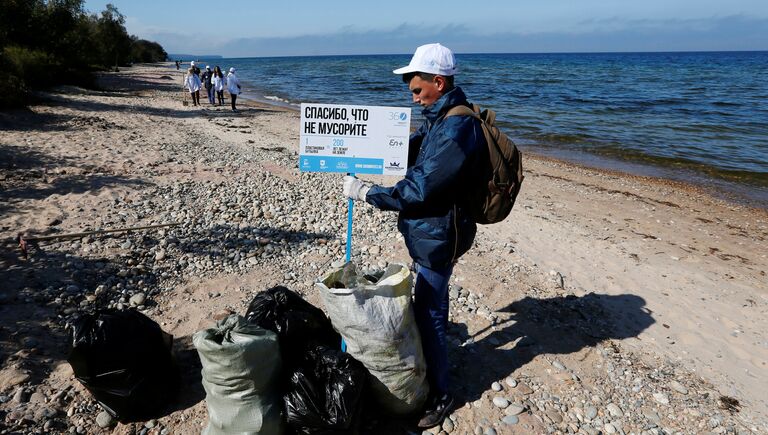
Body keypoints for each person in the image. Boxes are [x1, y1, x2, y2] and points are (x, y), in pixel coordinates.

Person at [341, 43, 487, 429]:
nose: (415, 98)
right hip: (430, 232)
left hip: (440, 236)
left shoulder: (457, 127)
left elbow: (420, 188)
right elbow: (411, 152)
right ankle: (429, 372)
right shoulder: (439, 118)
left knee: (431, 313)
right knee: (427, 307)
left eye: (418, 91)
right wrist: (368, 149)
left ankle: (441, 394)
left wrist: (368, 193)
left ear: (438, 82)